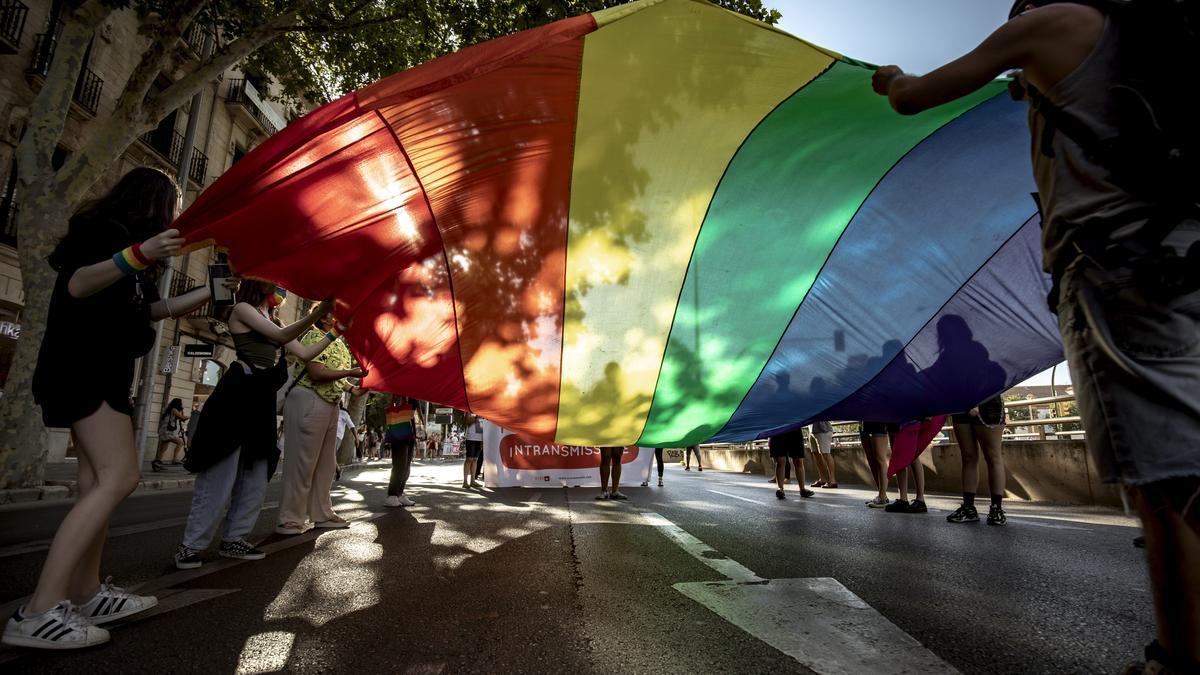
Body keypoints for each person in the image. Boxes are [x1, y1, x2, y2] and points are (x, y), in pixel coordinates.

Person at [872, 3, 1200, 670]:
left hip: (1121, 278)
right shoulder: (1162, 38)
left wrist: (889, 76)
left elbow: (913, 98)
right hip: (1186, 259)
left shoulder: (1056, 26)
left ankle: (1177, 656)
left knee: (1165, 479)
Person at [5, 168, 228, 649]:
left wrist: (209, 292)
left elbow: (151, 312)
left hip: (103, 372)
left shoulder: (133, 257)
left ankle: (85, 593)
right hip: (82, 369)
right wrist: (140, 253)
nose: (173, 218)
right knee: (121, 478)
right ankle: (37, 611)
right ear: (153, 203)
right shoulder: (103, 231)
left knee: (95, 483)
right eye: (172, 207)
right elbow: (78, 284)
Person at [175, 283, 337, 569]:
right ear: (259, 284)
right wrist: (320, 311)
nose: (282, 290)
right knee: (220, 472)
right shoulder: (243, 310)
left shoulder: (271, 318)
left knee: (256, 472)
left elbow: (305, 353)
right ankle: (191, 546)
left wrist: (336, 332)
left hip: (261, 399)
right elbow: (282, 336)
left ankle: (235, 538)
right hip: (237, 395)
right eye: (276, 283)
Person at [276, 315, 366, 535]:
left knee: (326, 465)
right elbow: (316, 372)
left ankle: (322, 514)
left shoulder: (339, 343)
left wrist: (352, 389)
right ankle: (290, 518)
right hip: (309, 398)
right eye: (336, 313)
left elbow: (332, 372)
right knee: (302, 462)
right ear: (325, 318)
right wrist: (351, 372)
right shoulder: (314, 337)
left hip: (331, 404)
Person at [947, 395, 1008, 525]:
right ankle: (968, 508)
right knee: (968, 456)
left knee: (993, 456)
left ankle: (996, 509)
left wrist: (978, 401)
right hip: (961, 403)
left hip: (988, 402)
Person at [384, 397, 422, 507]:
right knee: (400, 464)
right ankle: (392, 495)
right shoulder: (401, 390)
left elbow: (416, 411)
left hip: (410, 429)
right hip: (399, 427)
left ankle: (399, 493)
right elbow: (396, 405)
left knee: (406, 465)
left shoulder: (414, 391)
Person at [769, 428, 814, 500]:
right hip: (778, 429)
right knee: (780, 461)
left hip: (794, 428)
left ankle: (802, 489)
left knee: (798, 461)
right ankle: (780, 489)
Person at [860, 422, 893, 508]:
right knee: (871, 459)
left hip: (878, 420)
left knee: (880, 458)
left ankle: (882, 496)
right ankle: (882, 495)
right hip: (863, 421)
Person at [152, 398, 188, 471]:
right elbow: (182, 418)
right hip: (168, 431)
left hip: (165, 430)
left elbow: (180, 419)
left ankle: (157, 462)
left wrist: (181, 411)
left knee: (163, 448)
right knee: (180, 442)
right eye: (181, 403)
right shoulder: (174, 410)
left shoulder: (170, 409)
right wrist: (190, 416)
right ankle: (174, 459)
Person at [808, 420, 837, 488]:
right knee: (816, 454)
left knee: (826, 454)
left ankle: (832, 481)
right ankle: (822, 479)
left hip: (823, 430)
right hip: (811, 430)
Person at [461, 416, 484, 488]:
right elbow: (466, 422)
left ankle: (473, 481)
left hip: (480, 439)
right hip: (471, 438)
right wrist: (476, 418)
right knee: (469, 459)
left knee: (475, 460)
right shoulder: (470, 411)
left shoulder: (483, 412)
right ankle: (465, 482)